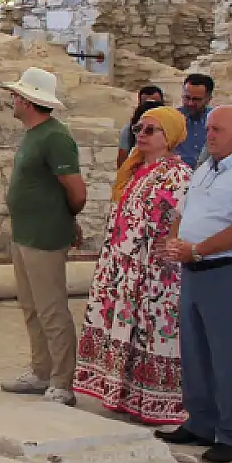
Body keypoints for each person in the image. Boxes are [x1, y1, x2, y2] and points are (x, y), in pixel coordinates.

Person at [72, 106, 191, 424]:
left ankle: (155, 403)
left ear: (169, 137)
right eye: (138, 129)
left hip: (153, 272)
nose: (141, 135)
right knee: (128, 330)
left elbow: (178, 223)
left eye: (150, 130)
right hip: (124, 269)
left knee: (150, 333)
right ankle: (122, 394)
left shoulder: (178, 175)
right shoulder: (135, 169)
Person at [156, 105, 232, 463]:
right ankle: (200, 423)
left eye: (218, 129)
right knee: (196, 352)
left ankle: (231, 434)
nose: (208, 134)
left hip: (227, 272)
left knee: (231, 358)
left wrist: (197, 249)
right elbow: (184, 211)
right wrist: (175, 241)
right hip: (194, 270)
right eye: (208, 128)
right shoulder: (206, 167)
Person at [0, 68, 89, 405]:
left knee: (51, 308)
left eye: (17, 95)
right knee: (32, 306)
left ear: (29, 100)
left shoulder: (55, 137)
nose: (13, 100)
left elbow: (76, 192)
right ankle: (41, 370)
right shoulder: (35, 134)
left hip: (44, 235)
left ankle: (63, 381)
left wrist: (65, 219)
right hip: (25, 233)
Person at [116, 85, 166, 167]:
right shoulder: (128, 130)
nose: (151, 108)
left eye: (155, 103)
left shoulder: (171, 127)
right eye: (147, 104)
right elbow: (122, 162)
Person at [178, 73, 215, 168]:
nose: (190, 103)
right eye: (187, 98)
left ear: (208, 99)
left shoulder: (216, 120)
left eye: (196, 99)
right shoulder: (171, 118)